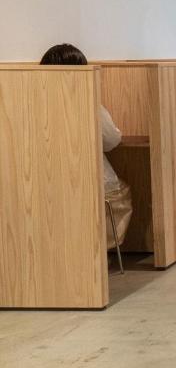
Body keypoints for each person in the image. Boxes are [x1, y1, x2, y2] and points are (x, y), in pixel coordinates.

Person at [40, 43, 133, 253]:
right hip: (94, 185)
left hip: (46, 187)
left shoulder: (35, 103)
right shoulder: (90, 104)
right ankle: (100, 253)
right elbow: (111, 141)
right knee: (119, 190)